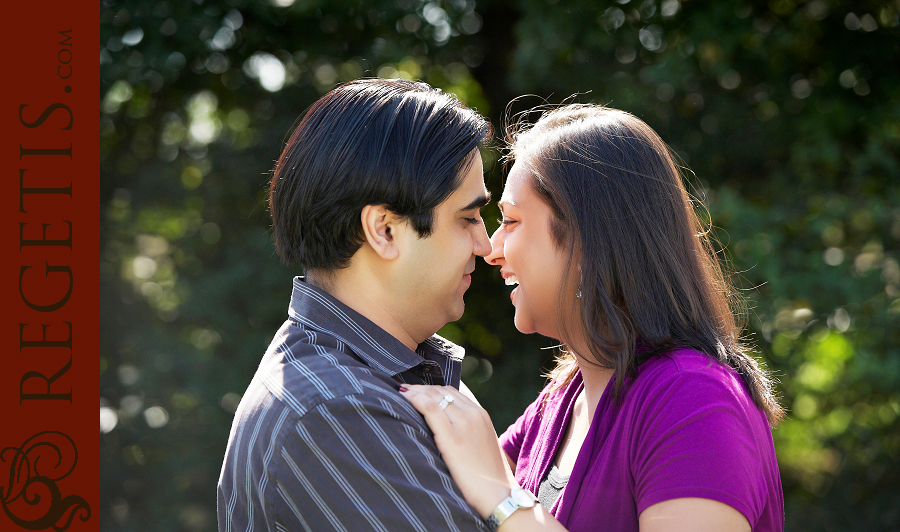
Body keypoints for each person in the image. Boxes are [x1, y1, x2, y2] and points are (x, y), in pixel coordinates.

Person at [402, 104, 786, 532]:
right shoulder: (562, 399)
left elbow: (489, 484)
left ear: (586, 243)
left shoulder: (693, 399)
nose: (492, 249)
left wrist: (501, 497)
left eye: (510, 221)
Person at [216, 78, 498, 531]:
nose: (484, 243)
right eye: (467, 218)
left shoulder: (375, 380)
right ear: (384, 230)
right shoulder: (337, 411)